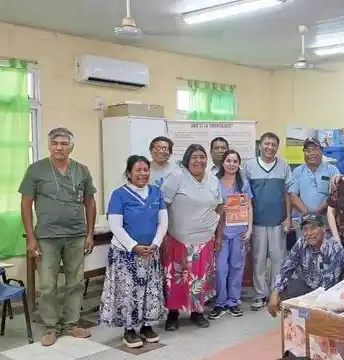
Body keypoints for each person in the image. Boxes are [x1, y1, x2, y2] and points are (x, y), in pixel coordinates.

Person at [19, 127, 96, 346]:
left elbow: (89, 202)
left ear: (71, 147)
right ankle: (51, 327)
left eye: (64, 143)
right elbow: (25, 204)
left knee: (75, 281)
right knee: (47, 284)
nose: (59, 147)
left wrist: (89, 233)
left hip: (76, 235)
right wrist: (31, 238)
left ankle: (71, 324)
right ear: (49, 146)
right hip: (47, 236)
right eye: (55, 143)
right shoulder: (36, 170)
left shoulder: (81, 170)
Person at [97, 155, 168, 348]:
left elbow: (163, 222)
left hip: (150, 252)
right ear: (129, 173)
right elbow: (115, 225)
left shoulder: (155, 192)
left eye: (146, 170)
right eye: (138, 170)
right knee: (128, 292)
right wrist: (133, 246)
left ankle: (146, 326)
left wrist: (155, 243)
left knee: (149, 291)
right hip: (125, 254)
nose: (143, 174)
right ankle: (129, 330)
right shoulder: (119, 194)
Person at [161, 144, 223, 330]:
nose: (199, 161)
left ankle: (197, 312)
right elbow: (162, 205)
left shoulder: (213, 180)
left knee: (200, 280)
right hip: (178, 240)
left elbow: (219, 208)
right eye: (194, 157)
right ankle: (173, 315)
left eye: (202, 157)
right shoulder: (176, 177)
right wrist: (162, 235)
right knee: (175, 280)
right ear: (187, 160)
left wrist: (218, 236)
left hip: (205, 241)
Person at [242, 132, 294, 311]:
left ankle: (276, 292)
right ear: (260, 146)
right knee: (258, 258)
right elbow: (244, 196)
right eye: (266, 144)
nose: (270, 147)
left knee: (279, 258)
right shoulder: (249, 166)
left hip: (278, 220)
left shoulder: (283, 166)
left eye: (273, 144)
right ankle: (260, 294)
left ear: (277, 147)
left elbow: (288, 194)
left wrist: (288, 217)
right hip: (256, 221)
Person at [266, 212, 344, 317]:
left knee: (312, 311)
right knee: (277, 293)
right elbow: (287, 267)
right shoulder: (302, 242)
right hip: (308, 286)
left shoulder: (334, 248)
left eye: (313, 228)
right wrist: (275, 292)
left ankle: (306, 320)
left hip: (328, 294)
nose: (309, 233)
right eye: (305, 229)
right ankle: (294, 323)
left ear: (323, 228)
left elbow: (328, 286)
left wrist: (302, 305)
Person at [209, 150, 253, 320]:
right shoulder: (214, 182)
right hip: (220, 232)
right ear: (223, 163)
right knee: (220, 268)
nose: (232, 164)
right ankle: (220, 303)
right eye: (229, 160)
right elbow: (209, 206)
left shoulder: (243, 183)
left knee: (236, 267)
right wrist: (220, 209)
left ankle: (233, 302)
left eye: (235, 161)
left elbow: (249, 207)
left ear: (238, 164)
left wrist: (249, 229)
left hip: (239, 231)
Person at [289, 138, 340, 238]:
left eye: (315, 149)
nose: (311, 153)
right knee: (305, 251)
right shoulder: (297, 171)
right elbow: (293, 194)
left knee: (326, 251)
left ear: (321, 151)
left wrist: (316, 214)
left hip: (326, 223)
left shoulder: (332, 170)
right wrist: (308, 214)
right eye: (307, 150)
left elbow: (334, 194)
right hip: (304, 223)